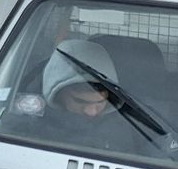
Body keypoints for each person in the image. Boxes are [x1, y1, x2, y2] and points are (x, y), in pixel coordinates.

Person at [11, 39, 153, 156]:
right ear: (57, 92)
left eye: (101, 102)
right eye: (80, 101)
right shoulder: (25, 118)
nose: (91, 111)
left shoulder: (136, 123)